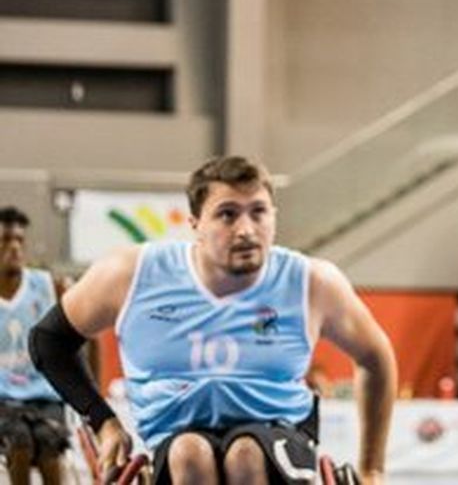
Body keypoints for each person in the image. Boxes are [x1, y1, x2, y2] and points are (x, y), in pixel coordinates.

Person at [28, 157, 398, 485]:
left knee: (246, 456)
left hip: (279, 431)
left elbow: (376, 357)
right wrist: (104, 422)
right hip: (175, 437)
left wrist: (372, 470)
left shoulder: (312, 281)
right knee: (190, 454)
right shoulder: (131, 273)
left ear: (274, 216)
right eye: (227, 214)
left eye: (258, 212)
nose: (246, 229)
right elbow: (49, 340)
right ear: (195, 225)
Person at [0, 208, 69, 485]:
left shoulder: (49, 285)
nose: (15, 247)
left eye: (19, 240)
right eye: (5, 240)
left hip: (44, 396)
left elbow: (88, 337)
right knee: (20, 444)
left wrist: (92, 389)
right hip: (3, 399)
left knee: (49, 445)